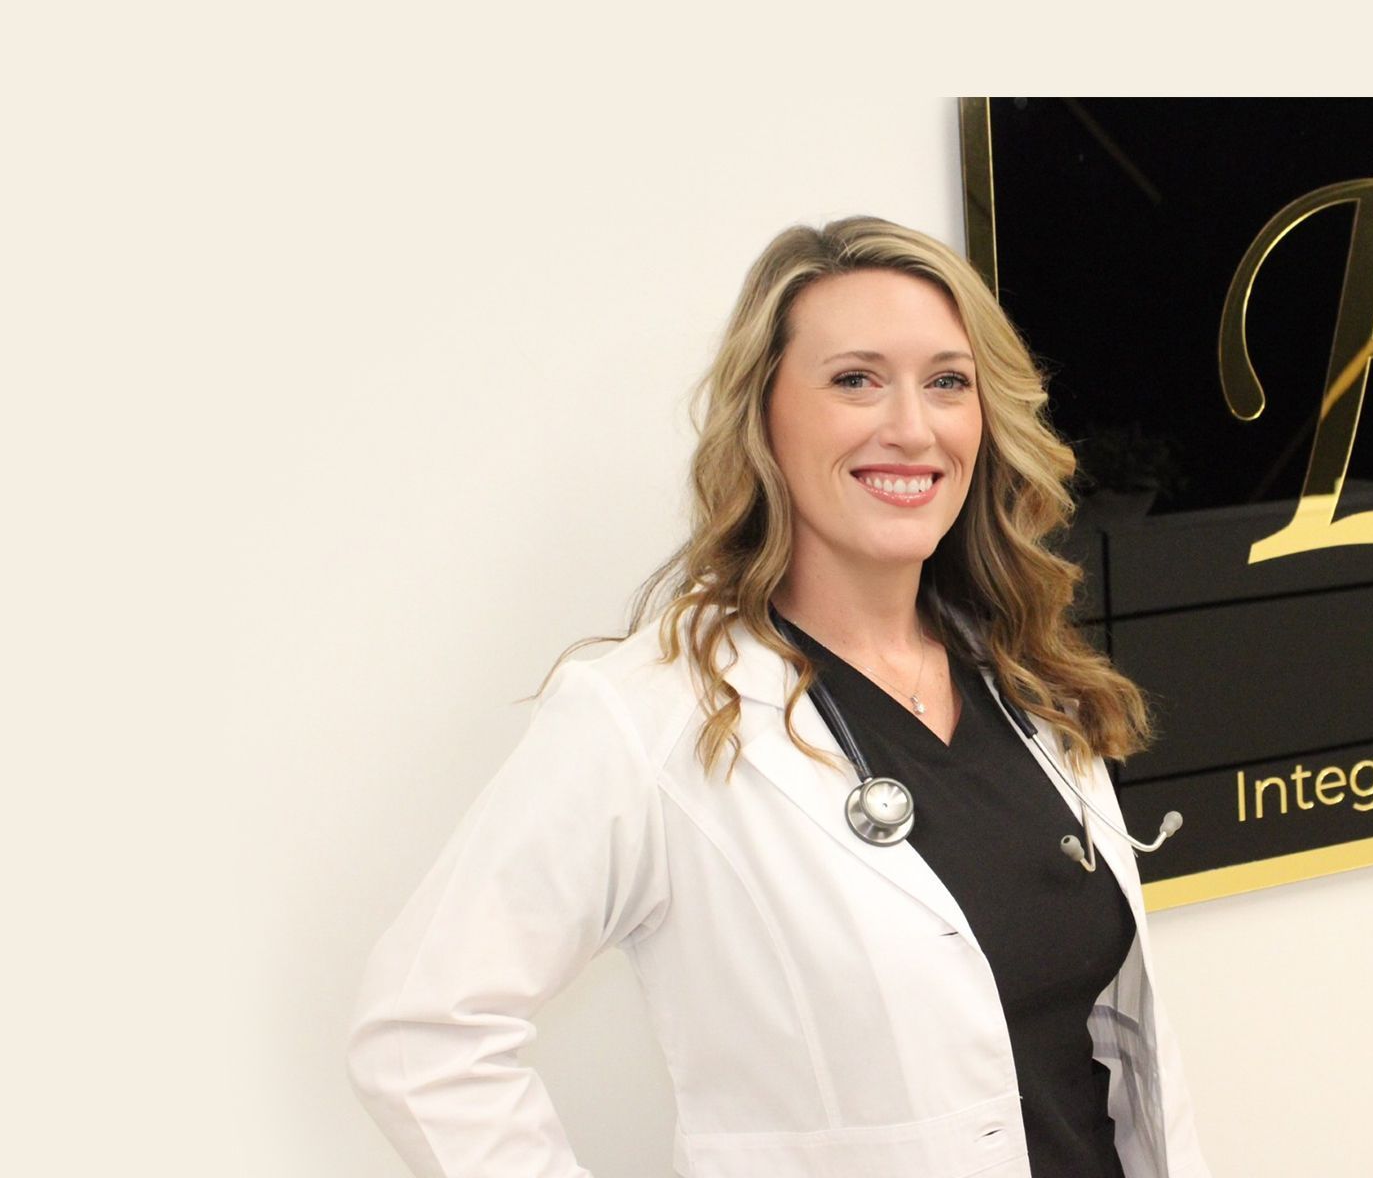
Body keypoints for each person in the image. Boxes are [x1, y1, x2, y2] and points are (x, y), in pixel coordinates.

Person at [345, 216, 1212, 1177]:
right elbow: (422, 1035)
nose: (912, 427)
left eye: (947, 382)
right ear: (764, 416)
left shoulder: (1027, 682)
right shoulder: (649, 714)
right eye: (855, 380)